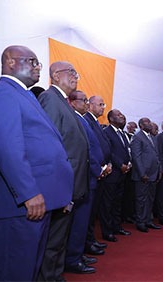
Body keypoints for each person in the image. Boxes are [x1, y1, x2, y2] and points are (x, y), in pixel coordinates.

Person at [0, 45, 74, 281]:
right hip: (19, 205)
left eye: (37, 63)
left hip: (38, 201)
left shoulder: (26, 95)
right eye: (32, 61)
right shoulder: (0, 92)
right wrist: (28, 193)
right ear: (10, 61)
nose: (38, 67)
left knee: (29, 271)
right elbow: (7, 147)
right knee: (15, 273)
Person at [37, 61, 89, 281]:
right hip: (59, 186)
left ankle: (56, 275)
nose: (76, 76)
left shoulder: (63, 101)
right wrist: (61, 189)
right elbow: (49, 146)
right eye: (71, 72)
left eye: (76, 73)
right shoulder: (50, 98)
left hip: (69, 184)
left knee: (60, 238)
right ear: (56, 76)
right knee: (52, 241)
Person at [65, 90, 105, 274]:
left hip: (89, 177)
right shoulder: (75, 118)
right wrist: (97, 169)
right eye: (84, 100)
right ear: (72, 102)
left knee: (83, 221)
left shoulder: (81, 118)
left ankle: (78, 254)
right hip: (84, 177)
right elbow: (84, 148)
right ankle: (73, 259)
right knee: (78, 222)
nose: (86, 104)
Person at [83, 96, 111, 256]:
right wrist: (99, 169)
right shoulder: (87, 120)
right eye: (100, 104)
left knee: (93, 213)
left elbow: (103, 146)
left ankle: (91, 239)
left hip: (102, 171)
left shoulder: (96, 122)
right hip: (94, 173)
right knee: (88, 213)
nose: (102, 107)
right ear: (90, 105)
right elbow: (89, 148)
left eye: (103, 104)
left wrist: (107, 165)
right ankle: (87, 243)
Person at [100, 109, 132, 242]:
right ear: (111, 119)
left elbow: (126, 150)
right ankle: (107, 231)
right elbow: (109, 152)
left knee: (118, 202)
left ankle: (116, 226)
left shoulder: (123, 134)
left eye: (122, 114)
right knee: (108, 203)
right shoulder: (106, 132)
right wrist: (120, 165)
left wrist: (129, 163)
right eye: (118, 115)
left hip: (123, 173)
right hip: (112, 173)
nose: (122, 116)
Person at [130, 117, 161, 232]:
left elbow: (157, 156)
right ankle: (140, 222)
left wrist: (159, 171)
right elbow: (136, 157)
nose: (150, 123)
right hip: (143, 175)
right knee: (141, 199)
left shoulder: (152, 137)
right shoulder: (138, 137)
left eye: (150, 121)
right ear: (141, 126)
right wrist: (142, 173)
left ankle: (148, 220)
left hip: (153, 174)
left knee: (150, 199)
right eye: (147, 122)